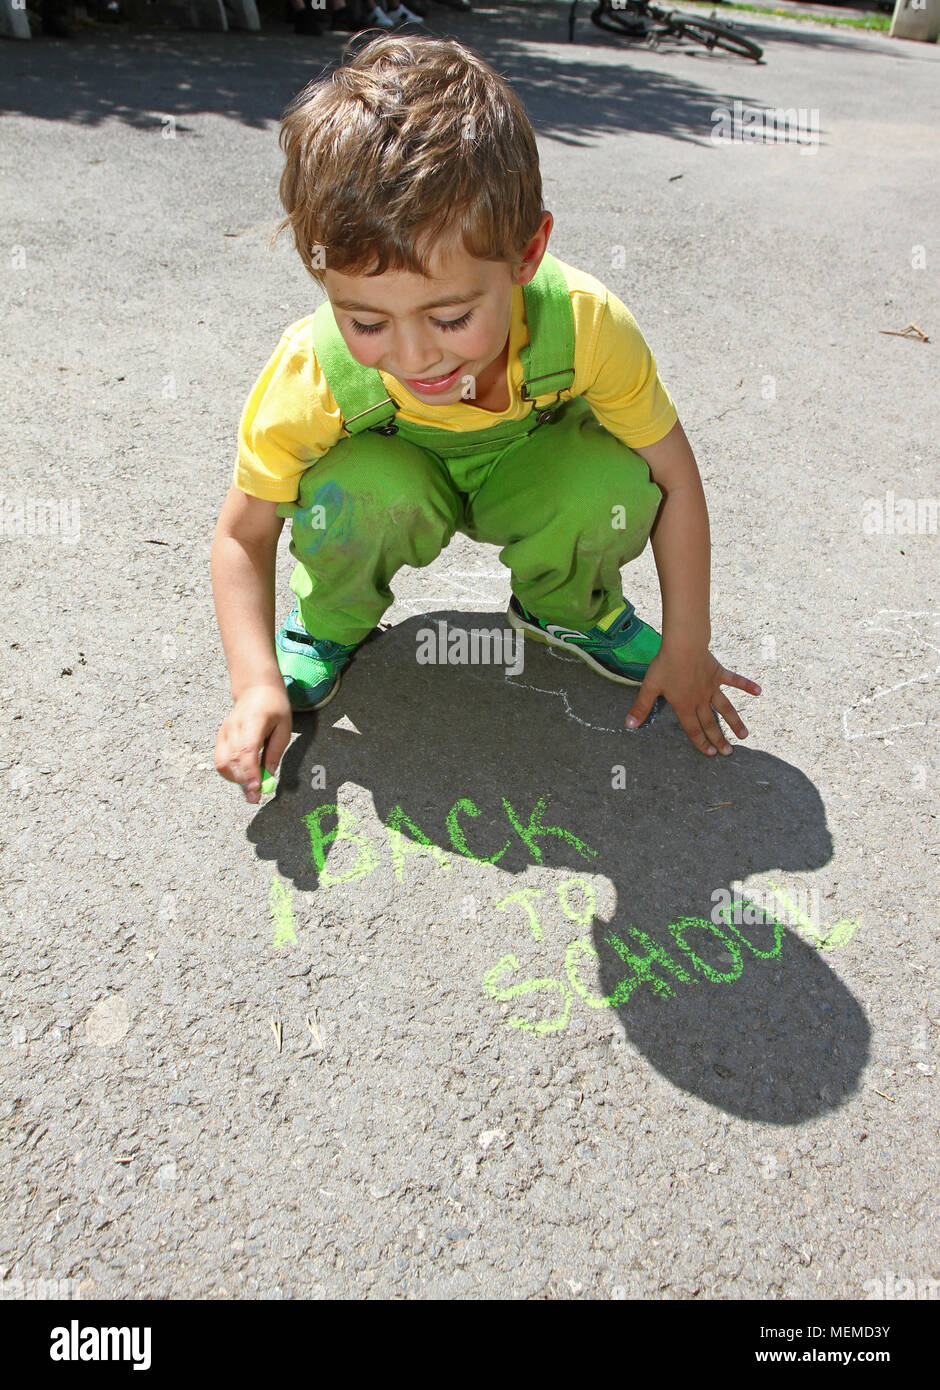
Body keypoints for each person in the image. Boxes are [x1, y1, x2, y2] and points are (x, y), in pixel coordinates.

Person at [211, 35, 760, 804]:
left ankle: (564, 606)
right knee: (358, 488)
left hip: (529, 472)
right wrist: (254, 681)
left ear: (527, 251)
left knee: (608, 478)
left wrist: (687, 644)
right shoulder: (313, 369)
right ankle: (327, 623)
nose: (413, 357)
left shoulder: (587, 326)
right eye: (367, 323)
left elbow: (675, 477)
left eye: (452, 315)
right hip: (397, 476)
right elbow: (243, 532)